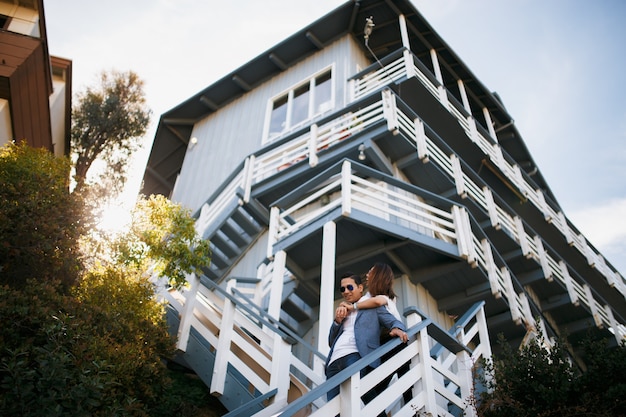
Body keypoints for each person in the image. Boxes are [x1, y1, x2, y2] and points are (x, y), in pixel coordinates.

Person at [325, 272, 407, 403]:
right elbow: (331, 342)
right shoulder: (342, 310)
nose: (346, 292)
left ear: (360, 288)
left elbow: (392, 320)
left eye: (350, 287)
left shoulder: (371, 307)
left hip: (355, 356)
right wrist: (337, 322)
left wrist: (396, 328)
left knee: (362, 395)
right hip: (333, 362)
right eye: (342, 289)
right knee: (333, 407)